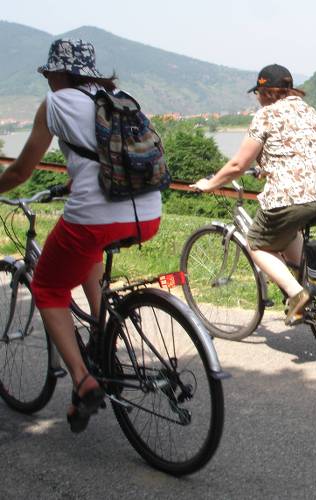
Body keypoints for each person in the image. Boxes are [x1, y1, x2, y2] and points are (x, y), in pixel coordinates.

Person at [0, 39, 162, 432]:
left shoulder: (54, 103)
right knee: (90, 250)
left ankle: (83, 380)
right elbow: (113, 157)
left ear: (58, 73)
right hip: (148, 214)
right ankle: (102, 333)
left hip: (96, 217)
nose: (48, 80)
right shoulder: (118, 98)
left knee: (47, 288)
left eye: (48, 74)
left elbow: (21, 171)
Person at [191, 64, 316, 325]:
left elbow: (238, 165)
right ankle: (311, 281)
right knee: (289, 231)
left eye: (258, 93)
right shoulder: (308, 110)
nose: (258, 98)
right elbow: (296, 151)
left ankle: (298, 295)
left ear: (266, 92)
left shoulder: (266, 115)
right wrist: (267, 168)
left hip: (293, 198)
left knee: (257, 244)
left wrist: (210, 183)